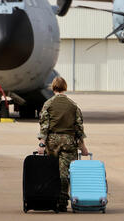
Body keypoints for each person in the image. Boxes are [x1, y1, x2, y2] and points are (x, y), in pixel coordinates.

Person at [37, 76, 89, 212]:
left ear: (53, 88)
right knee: (64, 173)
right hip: (69, 142)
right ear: (65, 88)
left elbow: (44, 126)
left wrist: (42, 144)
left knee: (52, 172)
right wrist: (83, 147)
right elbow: (78, 128)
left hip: (52, 142)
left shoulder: (48, 104)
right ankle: (63, 201)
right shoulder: (73, 105)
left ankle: (51, 199)